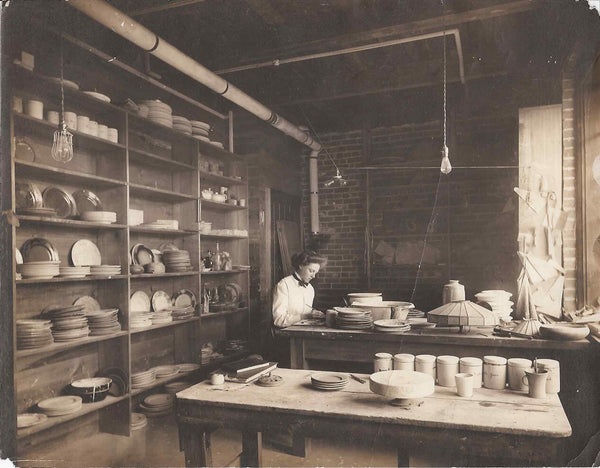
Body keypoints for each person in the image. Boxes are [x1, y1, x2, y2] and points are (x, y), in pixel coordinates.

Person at [272, 250, 327, 328]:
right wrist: (304, 316)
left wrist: (313, 313)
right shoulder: (284, 285)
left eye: (315, 273)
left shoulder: (310, 288)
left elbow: (305, 313)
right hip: (287, 334)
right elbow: (278, 320)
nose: (313, 276)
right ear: (301, 266)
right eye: (311, 271)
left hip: (304, 332)